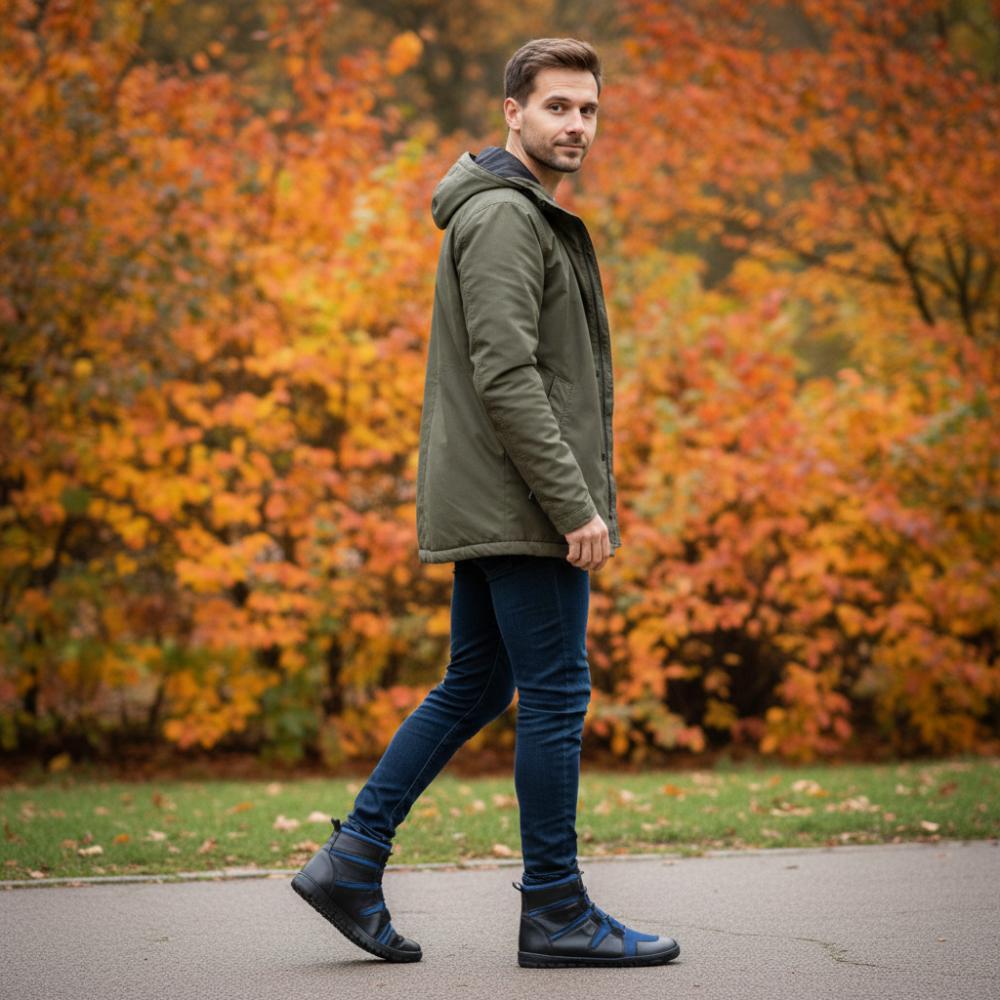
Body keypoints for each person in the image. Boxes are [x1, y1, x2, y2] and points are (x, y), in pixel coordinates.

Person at [292, 37, 680, 969]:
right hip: (523, 502)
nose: (577, 125)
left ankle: (352, 859)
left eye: (588, 109)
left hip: (500, 495)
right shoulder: (506, 216)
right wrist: (575, 504)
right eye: (557, 106)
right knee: (556, 694)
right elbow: (508, 376)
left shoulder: (517, 210)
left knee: (477, 684)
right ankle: (556, 908)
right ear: (513, 111)